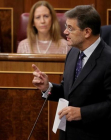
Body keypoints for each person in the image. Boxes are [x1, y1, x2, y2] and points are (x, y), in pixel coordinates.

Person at [32, 5, 111, 140]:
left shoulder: (108, 59)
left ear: (87, 32)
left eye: (70, 28)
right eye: (66, 27)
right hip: (67, 134)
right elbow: (69, 92)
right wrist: (48, 87)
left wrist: (82, 113)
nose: (65, 32)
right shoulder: (73, 52)